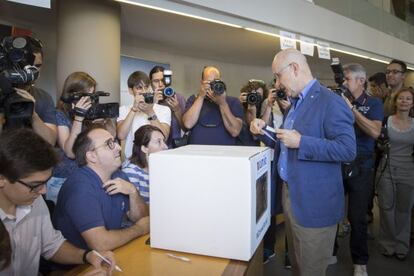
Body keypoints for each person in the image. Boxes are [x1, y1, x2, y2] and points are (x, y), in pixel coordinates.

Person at [250, 49, 356, 276]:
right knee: (298, 266)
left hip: (314, 205)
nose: (277, 83)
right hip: (291, 197)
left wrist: (303, 142)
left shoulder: (331, 102)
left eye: (278, 76)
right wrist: (263, 132)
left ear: (295, 68)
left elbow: (348, 150)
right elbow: (286, 144)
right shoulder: (296, 103)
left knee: (311, 269)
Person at [0, 128, 116, 275]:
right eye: (35, 185)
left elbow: (52, 245)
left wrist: (88, 256)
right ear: (2, 178)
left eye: (45, 183)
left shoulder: (34, 201)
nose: (43, 191)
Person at [53, 127, 150, 251]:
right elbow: (100, 243)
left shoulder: (119, 175)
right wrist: (139, 229)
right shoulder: (80, 188)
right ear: (92, 156)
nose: (119, 147)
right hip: (79, 267)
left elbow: (141, 218)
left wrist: (133, 191)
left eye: (114, 142)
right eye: (109, 144)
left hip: (108, 255)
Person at [340, 63, 383, 276]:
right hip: (338, 162)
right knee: (331, 211)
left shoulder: (373, 103)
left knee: (357, 217)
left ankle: (360, 261)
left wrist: (351, 109)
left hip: (362, 165)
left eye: (347, 79)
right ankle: (330, 250)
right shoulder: (338, 101)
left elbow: (375, 132)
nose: (344, 83)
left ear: (360, 81)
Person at [46, 72, 96, 204]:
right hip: (61, 180)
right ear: (75, 93)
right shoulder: (59, 114)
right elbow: (70, 152)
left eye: (93, 95)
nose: (90, 100)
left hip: (82, 176)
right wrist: (78, 119)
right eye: (88, 95)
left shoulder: (88, 116)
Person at [377, 87, 414, 261]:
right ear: (396, 101)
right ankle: (388, 244)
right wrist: (381, 145)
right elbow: (377, 144)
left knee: (404, 210)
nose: (404, 101)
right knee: (386, 209)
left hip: (409, 172)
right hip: (387, 170)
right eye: (401, 98)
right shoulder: (386, 121)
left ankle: (402, 245)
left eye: (408, 99)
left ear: (412, 103)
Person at [4, 37, 57, 145]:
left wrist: (32, 113)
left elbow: (50, 141)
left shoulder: (44, 97)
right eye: (27, 66)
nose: (33, 71)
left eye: (37, 66)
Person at [182, 66, 243, 145]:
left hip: (224, 153)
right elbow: (188, 124)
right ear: (202, 83)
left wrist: (222, 103)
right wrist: (201, 97)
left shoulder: (232, 102)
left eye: (215, 82)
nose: (213, 86)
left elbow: (235, 131)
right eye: (209, 83)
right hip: (197, 153)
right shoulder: (194, 99)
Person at [117, 71, 171, 159]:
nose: (144, 91)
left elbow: (164, 137)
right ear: (131, 90)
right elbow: (121, 135)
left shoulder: (164, 109)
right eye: (139, 88)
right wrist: (133, 110)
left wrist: (150, 112)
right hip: (132, 159)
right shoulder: (124, 109)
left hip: (157, 158)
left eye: (146, 87)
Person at [122, 125, 168, 203]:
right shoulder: (130, 172)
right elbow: (134, 212)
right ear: (144, 149)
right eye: (158, 142)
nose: (166, 147)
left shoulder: (163, 168)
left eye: (164, 141)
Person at [149, 66, 186, 148]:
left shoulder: (178, 98)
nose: (160, 84)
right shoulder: (148, 101)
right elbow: (146, 128)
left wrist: (177, 110)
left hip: (175, 147)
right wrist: (154, 104)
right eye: (156, 81)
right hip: (154, 147)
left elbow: (186, 128)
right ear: (151, 84)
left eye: (163, 80)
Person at [237, 79, 268, 146]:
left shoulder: (263, 109)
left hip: (254, 147)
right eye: (252, 95)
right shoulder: (241, 106)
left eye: (258, 95)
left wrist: (253, 113)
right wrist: (238, 104)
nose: (254, 98)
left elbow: (255, 136)